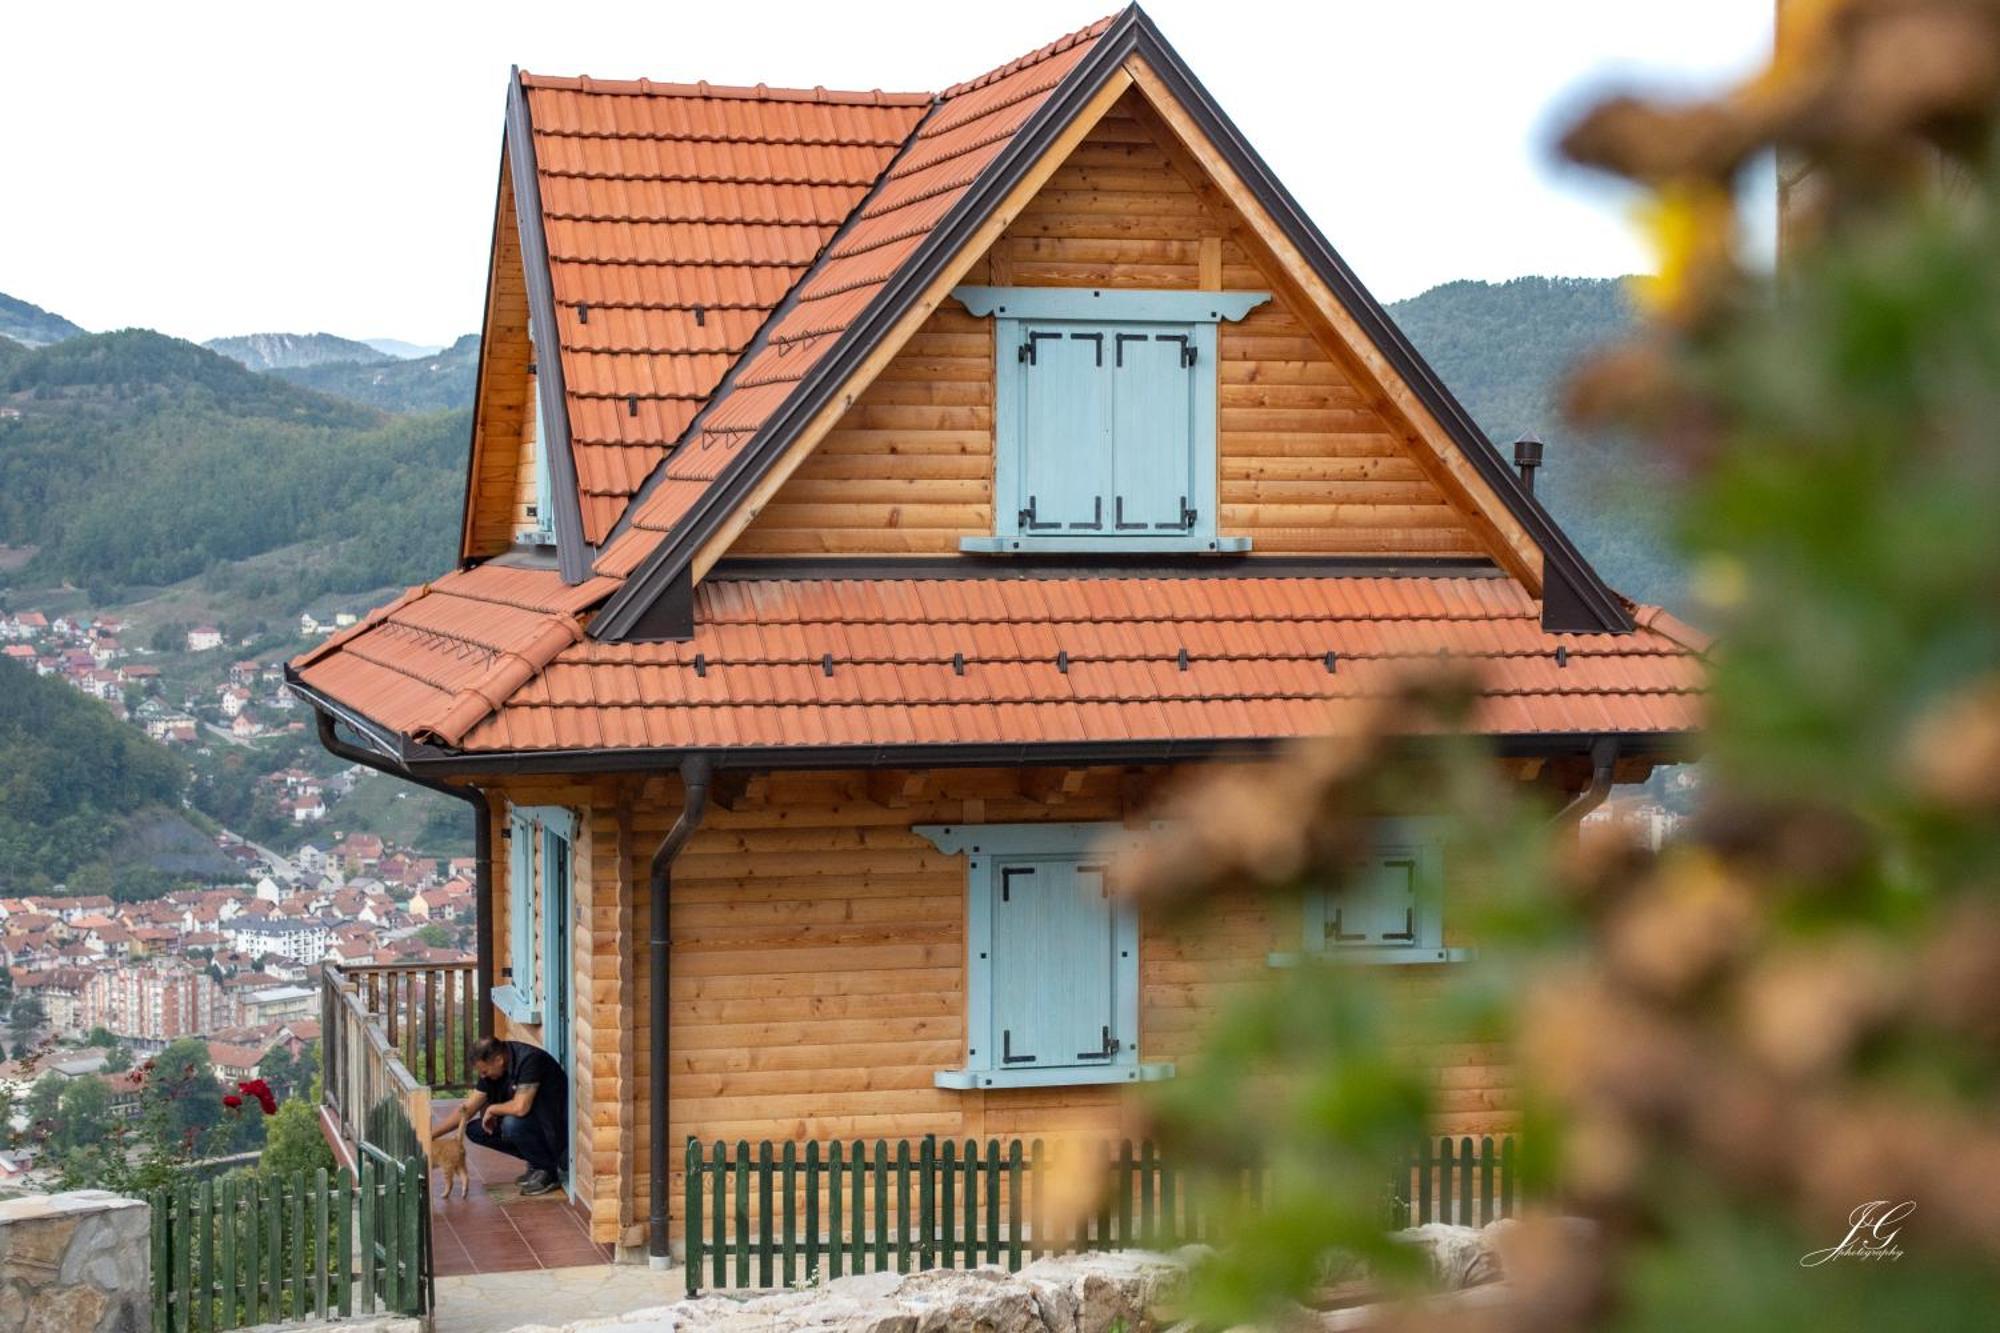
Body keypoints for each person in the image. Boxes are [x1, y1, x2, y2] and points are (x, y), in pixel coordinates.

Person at [433, 1035, 567, 1196]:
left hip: (553, 1126)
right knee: (475, 1130)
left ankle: (548, 1171)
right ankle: (537, 1161)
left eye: (484, 1071)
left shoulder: (530, 1060)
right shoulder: (492, 1072)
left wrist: (493, 1109)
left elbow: (521, 1107)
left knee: (511, 1124)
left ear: (498, 1060)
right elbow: (467, 1110)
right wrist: (430, 1135)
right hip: (530, 1123)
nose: (482, 1076)